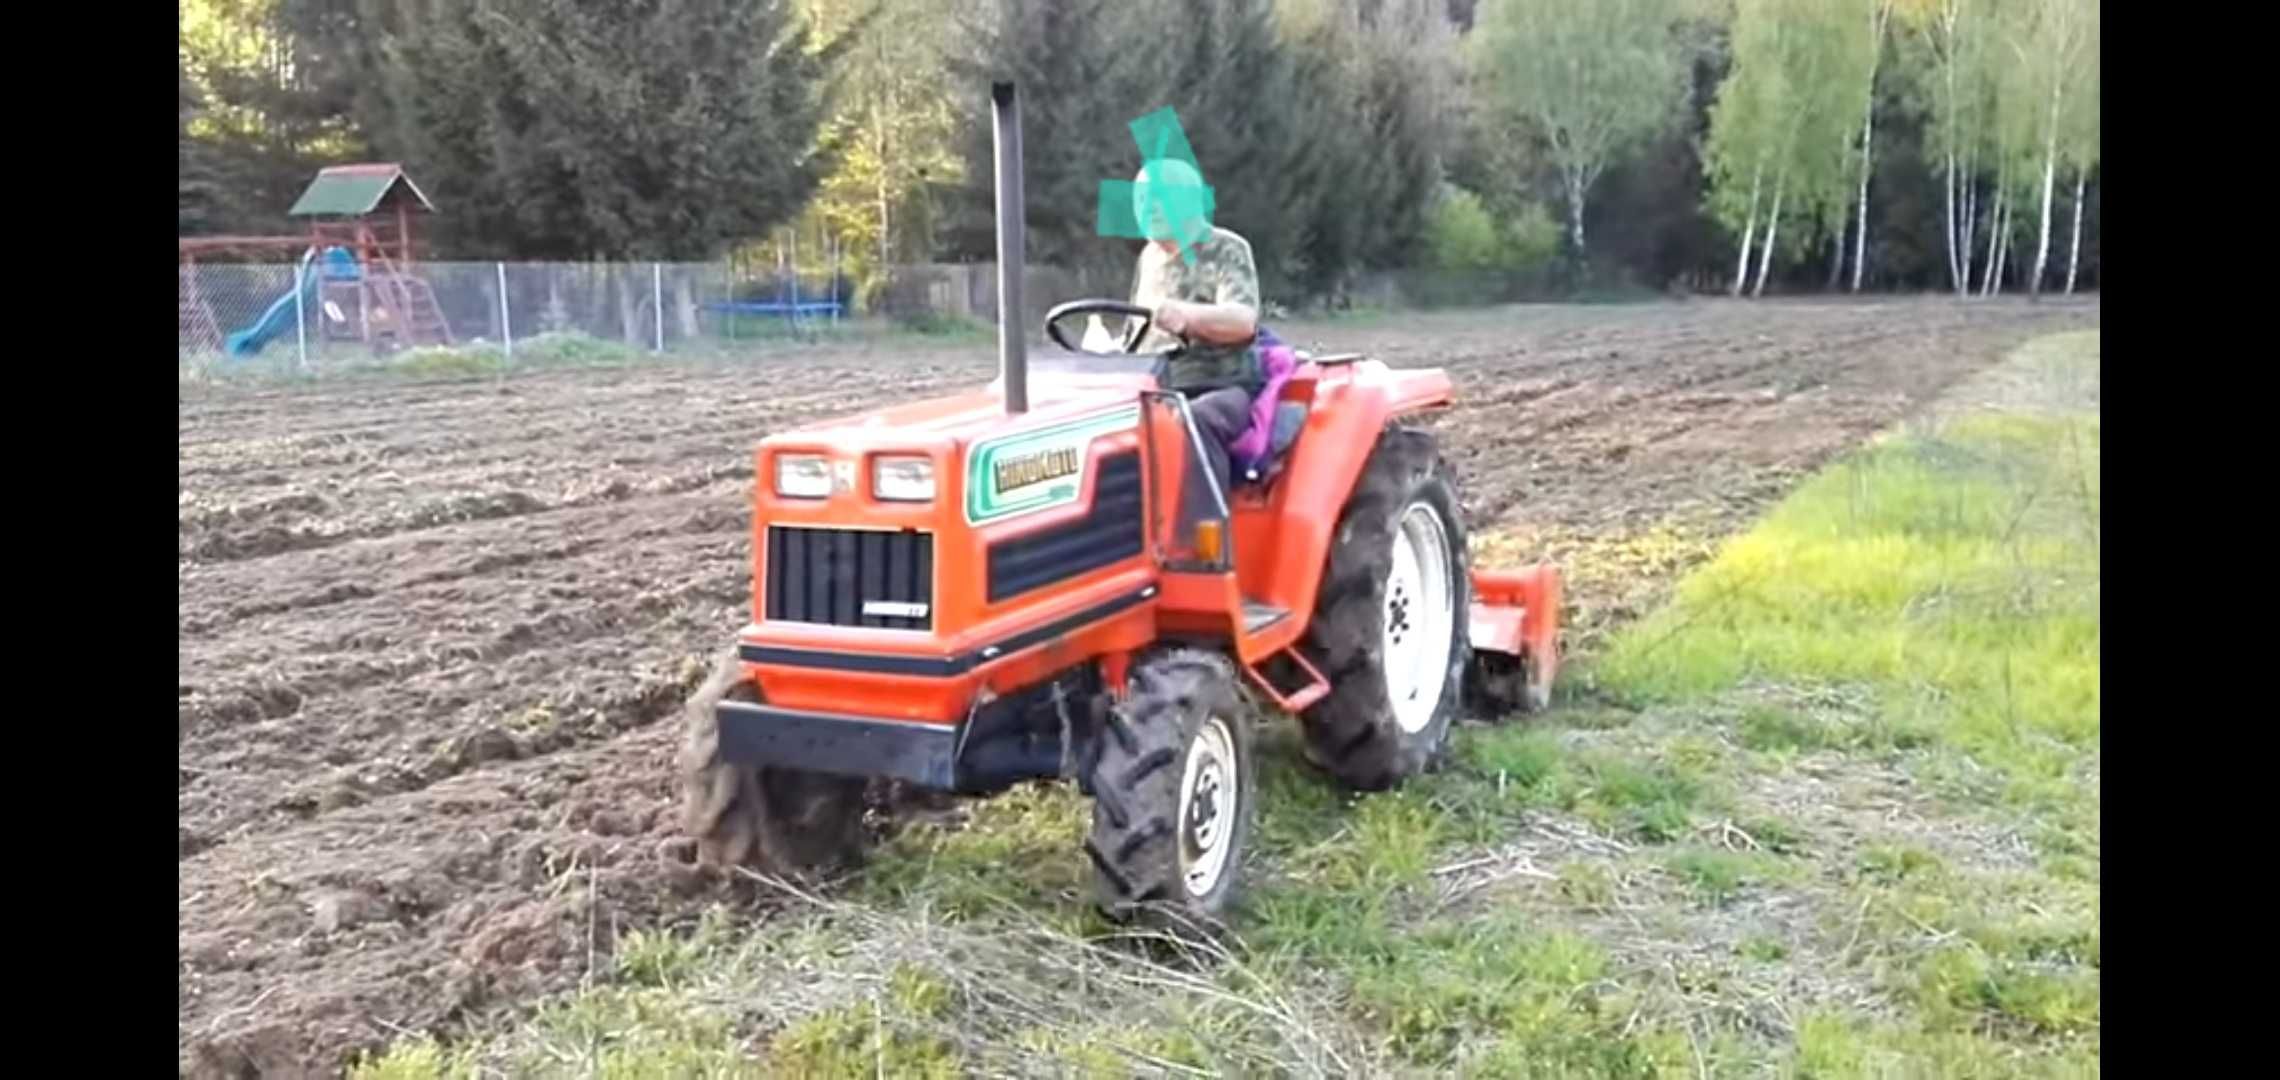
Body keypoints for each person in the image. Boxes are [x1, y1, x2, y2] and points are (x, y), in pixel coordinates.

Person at [1124, 159, 1267, 524]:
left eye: (1159, 197)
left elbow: (1242, 320)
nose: (1147, 206)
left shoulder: (1225, 248)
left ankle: (1201, 544)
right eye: (1141, 197)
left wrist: (1188, 317)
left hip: (1219, 383)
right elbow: (1136, 331)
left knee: (1195, 421)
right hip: (1154, 386)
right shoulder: (1149, 258)